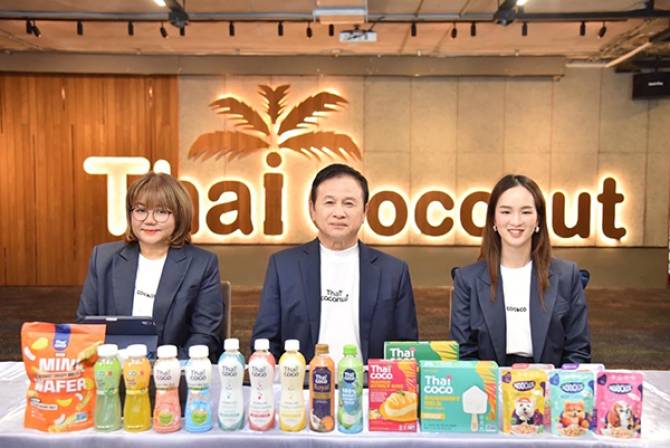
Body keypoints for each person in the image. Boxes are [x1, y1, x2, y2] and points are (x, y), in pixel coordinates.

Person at [251, 163, 418, 364]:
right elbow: (265, 344)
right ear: (312, 209)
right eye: (329, 202)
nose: (339, 213)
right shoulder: (284, 266)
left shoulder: (393, 271)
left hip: (370, 382)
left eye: (349, 203)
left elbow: (406, 349)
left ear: (365, 211)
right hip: (302, 381)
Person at [77, 172, 223, 360]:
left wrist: (163, 365)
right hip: (112, 368)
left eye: (161, 212)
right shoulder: (103, 258)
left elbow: (204, 335)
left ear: (180, 215)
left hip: (173, 369)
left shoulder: (202, 264)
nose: (149, 220)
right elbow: (86, 327)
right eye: (140, 210)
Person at [449, 174, 591, 367]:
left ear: (538, 219)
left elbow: (578, 352)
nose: (516, 221)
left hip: (551, 383)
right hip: (488, 382)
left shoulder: (567, 276)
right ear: (493, 219)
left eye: (525, 212)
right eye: (506, 212)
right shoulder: (467, 280)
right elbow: (464, 354)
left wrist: (557, 383)